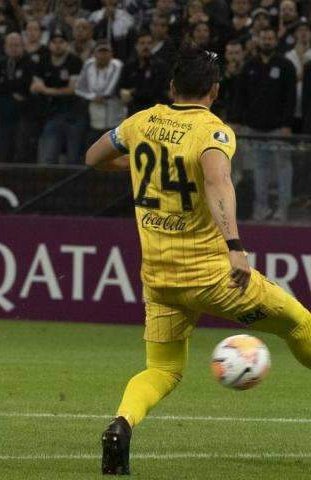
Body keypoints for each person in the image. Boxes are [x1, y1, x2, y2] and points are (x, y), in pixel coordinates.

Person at [86, 45, 311, 476]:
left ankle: (121, 423)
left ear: (172, 87)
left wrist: (138, 168)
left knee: (163, 369)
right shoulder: (214, 131)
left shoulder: (141, 121)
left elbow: (94, 157)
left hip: (159, 278)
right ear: (214, 90)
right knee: (299, 324)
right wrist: (235, 246)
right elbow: (217, 181)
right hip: (212, 276)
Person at [234, 27, 296, 221]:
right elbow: (240, 96)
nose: (267, 41)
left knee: (283, 169)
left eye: (270, 38)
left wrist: (287, 124)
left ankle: (282, 209)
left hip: (279, 128)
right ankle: (260, 209)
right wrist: (237, 121)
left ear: (275, 41)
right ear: (258, 40)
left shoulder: (285, 65)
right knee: (260, 169)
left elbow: (291, 97)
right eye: (264, 38)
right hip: (254, 128)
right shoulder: (249, 65)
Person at [31, 28, 84, 164]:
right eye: (54, 42)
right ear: (49, 45)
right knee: (49, 157)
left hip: (73, 115)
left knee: (73, 159)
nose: (58, 45)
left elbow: (71, 89)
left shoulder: (75, 61)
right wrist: (44, 89)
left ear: (67, 44)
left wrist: (47, 90)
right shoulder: (43, 61)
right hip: (52, 115)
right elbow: (35, 86)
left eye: (61, 42)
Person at [0, 32, 34, 162]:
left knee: (21, 151)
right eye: (10, 45)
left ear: (23, 46)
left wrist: (5, 84)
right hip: (3, 114)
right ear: (5, 47)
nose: (14, 48)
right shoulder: (1, 63)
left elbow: (25, 86)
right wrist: (11, 90)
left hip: (23, 115)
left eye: (17, 45)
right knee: (3, 150)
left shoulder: (29, 64)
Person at [75, 40, 124, 146]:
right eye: (100, 52)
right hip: (95, 117)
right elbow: (78, 88)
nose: (103, 55)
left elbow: (108, 90)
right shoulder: (88, 64)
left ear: (111, 54)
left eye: (106, 52)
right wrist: (93, 96)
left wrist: (97, 95)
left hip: (114, 116)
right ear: (94, 53)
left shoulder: (117, 65)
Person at [119, 31, 170, 116]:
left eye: (149, 43)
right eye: (142, 43)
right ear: (136, 46)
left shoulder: (160, 66)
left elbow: (155, 90)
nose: (146, 46)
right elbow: (121, 86)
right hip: (134, 113)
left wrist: (132, 93)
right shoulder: (129, 66)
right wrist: (122, 93)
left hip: (154, 113)